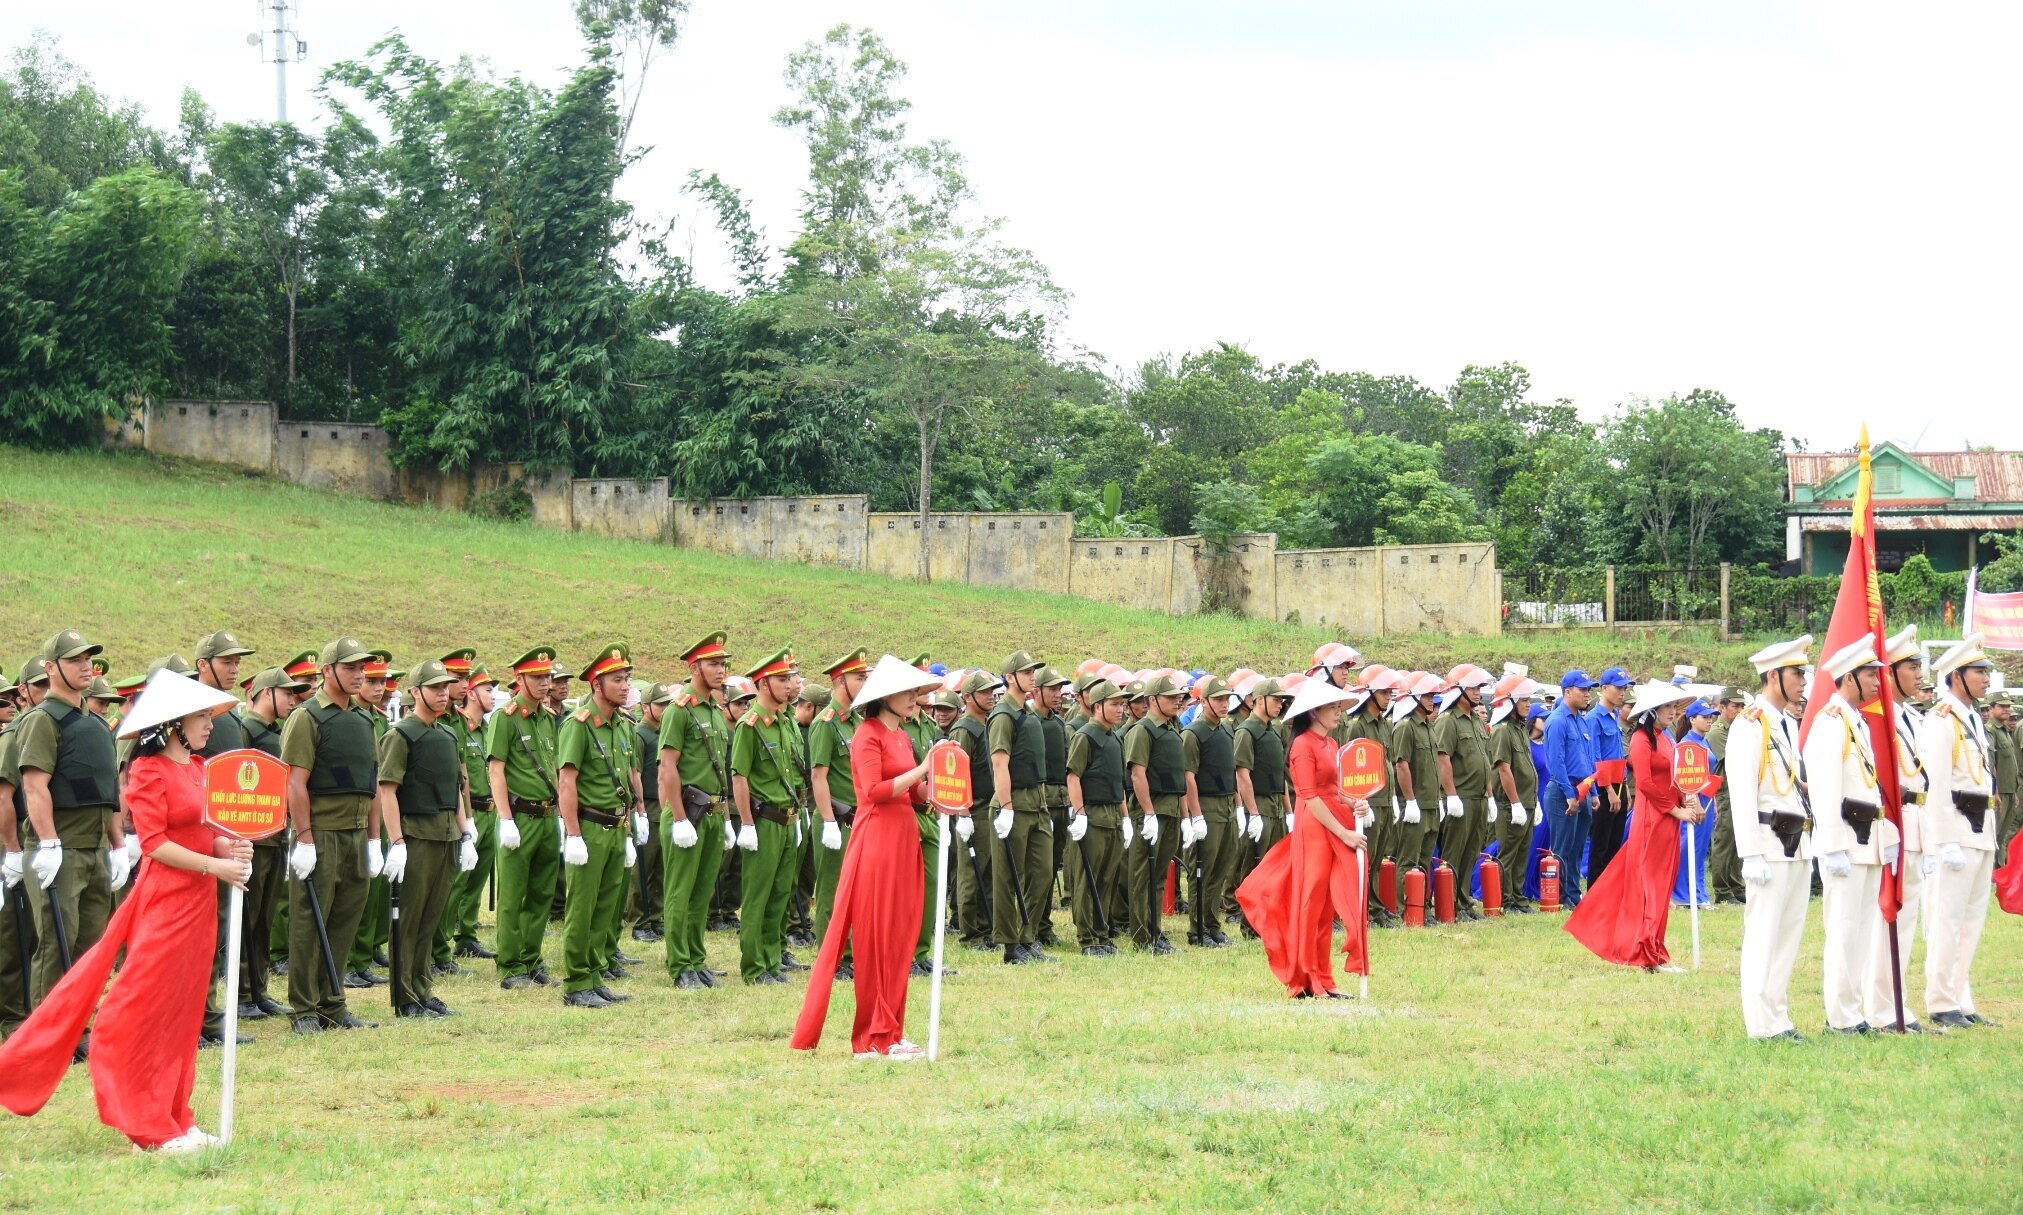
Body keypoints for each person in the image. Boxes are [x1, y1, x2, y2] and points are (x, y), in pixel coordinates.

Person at [0, 669, 249, 1154]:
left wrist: (233, 849)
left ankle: (177, 1114)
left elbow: (211, 828)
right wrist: (215, 864)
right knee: (143, 1008)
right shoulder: (148, 771)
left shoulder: (199, 769)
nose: (210, 726)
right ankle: (145, 1122)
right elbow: (155, 844)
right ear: (175, 723)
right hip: (166, 900)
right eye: (202, 716)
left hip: (201, 904)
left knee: (183, 1012)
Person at [791, 656, 945, 1059]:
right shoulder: (867, 735)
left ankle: (892, 1031)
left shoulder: (902, 737)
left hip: (904, 838)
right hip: (877, 838)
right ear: (883, 697)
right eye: (907, 691)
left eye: (916, 692)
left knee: (900, 936)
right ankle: (870, 1038)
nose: (914, 698)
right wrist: (923, 769)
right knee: (876, 938)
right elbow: (874, 791)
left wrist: (947, 788)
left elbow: (914, 793)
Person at [13, 631, 129, 1024]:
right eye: (75, 659)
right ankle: (48, 1033)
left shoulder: (96, 724)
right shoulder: (42, 720)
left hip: (94, 849)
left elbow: (108, 790)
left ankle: (79, 1025)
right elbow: (34, 784)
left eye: (87, 659)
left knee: (89, 947)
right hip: (60, 850)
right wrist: (47, 843)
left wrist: (117, 846)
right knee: (54, 948)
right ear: (51, 667)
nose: (85, 666)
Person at [1234, 676, 1369, 999]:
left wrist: (1355, 802)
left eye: (1339, 707)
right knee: (1310, 903)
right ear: (1314, 712)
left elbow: (1334, 789)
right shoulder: (1302, 745)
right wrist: (1344, 833)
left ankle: (1325, 977)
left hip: (1334, 819)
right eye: (1333, 708)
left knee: (1325, 908)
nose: (1339, 713)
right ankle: (1306, 977)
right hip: (1315, 828)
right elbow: (1309, 796)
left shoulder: (1331, 744)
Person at [1566, 682, 1694, 972]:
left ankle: (1656, 950)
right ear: (1651, 712)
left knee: (1661, 886)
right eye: (1667, 707)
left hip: (1669, 817)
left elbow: (1677, 776)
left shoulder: (1666, 738)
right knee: (1649, 886)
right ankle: (1647, 952)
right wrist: (1675, 809)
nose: (1672, 712)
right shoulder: (1641, 739)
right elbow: (1646, 784)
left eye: (1674, 707)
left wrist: (1689, 800)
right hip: (1653, 819)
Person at [1729, 635, 1815, 1041]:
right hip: (1767, 841)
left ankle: (1779, 1014)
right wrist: (1750, 853)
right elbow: (1743, 789)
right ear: (1774, 676)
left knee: (1788, 934)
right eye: (1797, 673)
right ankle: (1761, 1023)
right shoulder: (1750, 724)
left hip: (1796, 843)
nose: (1802, 681)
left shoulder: (1786, 723)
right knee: (1764, 934)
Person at [1803, 639, 1888, 1035]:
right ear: (1849, 677)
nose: (1877, 681)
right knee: (1843, 929)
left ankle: (1853, 1010)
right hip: (1846, 842)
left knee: (1862, 931)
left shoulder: (1855, 720)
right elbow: (1825, 789)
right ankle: (1840, 1015)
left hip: (1866, 839)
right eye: (1870, 674)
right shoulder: (1831, 720)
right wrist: (1831, 846)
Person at [1917, 633, 1999, 1030]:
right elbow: (1937, 786)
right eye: (1979, 672)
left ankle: (1960, 998)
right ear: (1956, 676)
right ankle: (1940, 1000)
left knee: (1970, 921)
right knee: (1946, 920)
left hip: (1981, 830)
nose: (1986, 679)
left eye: (1986, 671)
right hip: (1956, 833)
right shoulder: (1940, 720)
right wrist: (1944, 840)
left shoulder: (1971, 719)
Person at [556, 646, 643, 1008]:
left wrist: (634, 821)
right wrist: (573, 833)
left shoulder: (622, 725)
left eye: (627, 679)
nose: (625, 687)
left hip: (616, 827)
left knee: (606, 907)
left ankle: (594, 974)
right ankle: (577, 983)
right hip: (590, 828)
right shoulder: (578, 725)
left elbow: (627, 776)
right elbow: (567, 782)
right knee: (583, 907)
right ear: (596, 684)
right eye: (617, 680)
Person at [658, 633, 736, 990]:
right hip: (688, 813)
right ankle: (680, 965)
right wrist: (677, 818)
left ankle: (695, 957)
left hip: (714, 812)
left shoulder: (715, 711)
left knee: (702, 890)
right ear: (694, 667)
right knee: (680, 891)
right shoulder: (680, 710)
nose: (721, 671)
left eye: (723, 664)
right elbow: (667, 768)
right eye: (713, 664)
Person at [235, 663, 310, 1020]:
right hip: (253, 838)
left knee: (264, 917)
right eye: (287, 693)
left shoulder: (275, 731)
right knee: (247, 918)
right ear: (267, 693)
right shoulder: (244, 730)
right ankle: (241, 992)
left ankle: (258, 989)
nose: (293, 700)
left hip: (276, 834)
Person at [731, 648, 809, 985]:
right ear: (763, 683)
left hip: (788, 818)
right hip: (764, 821)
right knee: (758, 896)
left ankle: (772, 961)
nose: (789, 683)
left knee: (780, 894)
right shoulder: (751, 726)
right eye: (781, 679)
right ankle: (753, 965)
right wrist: (747, 823)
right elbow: (740, 777)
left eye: (790, 677)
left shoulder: (782, 721)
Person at [1865, 625, 1928, 1033]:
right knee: (1884, 920)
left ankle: (1895, 1001)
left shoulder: (1909, 717)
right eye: (1913, 666)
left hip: (1917, 826)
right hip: (1891, 828)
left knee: (1906, 923)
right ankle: (1879, 1007)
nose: (1921, 674)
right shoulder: (1879, 718)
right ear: (1891, 672)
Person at [488, 646, 563, 990]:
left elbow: (554, 769)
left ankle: (532, 957)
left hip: (547, 816)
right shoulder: (506, 718)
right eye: (538, 677)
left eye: (548, 676)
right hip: (520, 817)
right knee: (513, 895)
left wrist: (561, 813)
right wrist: (505, 819)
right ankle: (510, 964)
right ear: (520, 679)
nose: (546, 683)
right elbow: (497, 770)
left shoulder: (548, 718)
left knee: (541, 893)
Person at [986, 651, 1056, 965]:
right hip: (1013, 804)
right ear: (1010, 677)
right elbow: (1000, 763)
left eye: (1033, 671)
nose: (1032, 676)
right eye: (1026, 672)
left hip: (1036, 805)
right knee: (1008, 878)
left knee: (1041, 874)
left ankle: (1028, 937)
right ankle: (1011, 945)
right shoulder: (1003, 715)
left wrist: (1041, 804)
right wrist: (1007, 807)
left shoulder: (1026, 714)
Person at [807, 650, 869, 979]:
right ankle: (831, 960)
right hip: (836, 818)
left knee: (856, 893)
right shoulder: (826, 724)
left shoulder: (857, 721)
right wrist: (828, 820)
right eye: (860, 677)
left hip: (858, 818)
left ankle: (849, 955)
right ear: (841, 681)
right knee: (832, 893)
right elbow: (819, 775)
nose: (866, 682)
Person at [1065, 679, 1132, 956]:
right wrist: (1079, 814)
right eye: (1115, 705)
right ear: (1098, 706)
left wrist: (1126, 818)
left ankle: (1102, 932)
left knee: (1107, 878)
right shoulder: (1086, 736)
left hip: (1113, 815)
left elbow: (1119, 784)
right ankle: (1088, 937)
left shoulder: (1115, 737)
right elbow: (1073, 777)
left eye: (1121, 704)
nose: (1120, 710)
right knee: (1087, 878)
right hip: (1092, 814)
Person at [1123, 673, 1189, 954]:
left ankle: (1155, 931)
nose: (1177, 701)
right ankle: (1142, 936)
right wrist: (1148, 812)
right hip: (1152, 812)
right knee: (1143, 875)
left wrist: (1186, 817)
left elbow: (1179, 779)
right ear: (1153, 700)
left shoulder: (1172, 730)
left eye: (1178, 696)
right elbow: (1138, 775)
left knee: (1159, 875)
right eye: (1170, 697)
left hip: (1171, 810)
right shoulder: (1142, 731)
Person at [443, 660, 500, 964]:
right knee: (457, 879)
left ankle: (466, 935)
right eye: (488, 689)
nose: (493, 695)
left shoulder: (489, 729)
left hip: (490, 812)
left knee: (477, 879)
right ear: (474, 694)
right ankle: (444, 936)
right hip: (468, 810)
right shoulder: (459, 725)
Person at [1433, 667, 1495, 920]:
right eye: (1472, 688)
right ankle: (1450, 904)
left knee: (1472, 851)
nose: (1477, 693)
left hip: (1479, 797)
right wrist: (1451, 795)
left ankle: (1464, 900)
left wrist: (1490, 796)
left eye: (1479, 688)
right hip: (1461, 797)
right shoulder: (1448, 721)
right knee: (1454, 852)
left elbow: (1485, 760)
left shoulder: (1477, 721)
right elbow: (1443, 759)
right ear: (1457, 690)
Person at [1183, 675, 1240, 948]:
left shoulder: (1227, 731)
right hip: (1207, 805)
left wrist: (1239, 806)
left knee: (1220, 869)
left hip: (1227, 804)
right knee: (1201, 870)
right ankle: (1198, 929)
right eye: (1218, 699)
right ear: (1203, 701)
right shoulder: (1194, 733)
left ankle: (1213, 924)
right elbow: (1189, 777)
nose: (1224, 704)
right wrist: (1196, 816)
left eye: (1227, 699)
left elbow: (1233, 772)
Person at [1232, 677, 1290, 935]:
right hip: (1259, 805)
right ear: (1259, 701)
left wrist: (1289, 811)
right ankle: (1250, 925)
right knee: (1254, 866)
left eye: (1281, 700)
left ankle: (1268, 921)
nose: (1280, 705)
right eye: (1276, 700)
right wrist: (1252, 812)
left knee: (1275, 867)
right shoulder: (1246, 732)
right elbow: (1242, 774)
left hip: (1276, 804)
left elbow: (1281, 775)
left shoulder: (1273, 730)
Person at [948, 671, 999, 951]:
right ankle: (972, 933)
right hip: (974, 808)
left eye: (992, 691)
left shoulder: (988, 725)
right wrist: (963, 814)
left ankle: (988, 926)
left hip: (989, 807)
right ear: (967, 697)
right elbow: (957, 774)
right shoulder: (964, 729)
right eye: (984, 692)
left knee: (990, 872)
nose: (990, 695)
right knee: (971, 872)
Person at [1543, 671, 1599, 908]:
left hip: (1583, 789)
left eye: (1588, 689)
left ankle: (1573, 895)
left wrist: (1593, 792)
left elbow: (1587, 758)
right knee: (1562, 848)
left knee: (1577, 848)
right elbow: (1556, 762)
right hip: (1564, 791)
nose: (1587, 694)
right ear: (1567, 692)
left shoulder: (1580, 719)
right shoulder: (1557, 721)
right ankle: (1559, 897)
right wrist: (1569, 794)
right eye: (1582, 689)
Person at [1488, 676, 1541, 913]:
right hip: (1511, 805)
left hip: (1527, 801)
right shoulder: (1502, 731)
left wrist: (1534, 801)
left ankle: (1518, 898)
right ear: (1510, 702)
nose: (1528, 704)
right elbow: (1504, 768)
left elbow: (1527, 767)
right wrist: (1515, 802)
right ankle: (1505, 900)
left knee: (1522, 853)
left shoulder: (1519, 729)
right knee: (1508, 854)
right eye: (1524, 700)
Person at [1586, 667, 1634, 878]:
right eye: (1618, 688)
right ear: (1604, 688)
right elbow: (1596, 758)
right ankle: (1596, 892)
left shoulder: (1614, 715)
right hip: (1604, 788)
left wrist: (1625, 788)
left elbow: (1618, 755)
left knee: (1615, 842)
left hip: (1620, 784)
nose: (1622, 692)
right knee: (1600, 844)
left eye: (1625, 688)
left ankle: (1610, 892)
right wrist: (1609, 790)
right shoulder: (1594, 718)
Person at [1672, 700, 1717, 909]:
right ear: (1692, 719)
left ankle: (1699, 892)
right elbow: (1684, 778)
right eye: (1705, 716)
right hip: (1693, 801)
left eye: (1711, 716)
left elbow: (1708, 776)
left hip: (1707, 800)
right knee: (1687, 847)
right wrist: (1694, 801)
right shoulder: (1686, 744)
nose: (1709, 720)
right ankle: (1683, 894)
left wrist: (1713, 801)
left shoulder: (1704, 741)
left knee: (1700, 849)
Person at [1705, 687, 1748, 905]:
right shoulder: (1718, 731)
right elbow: (1736, 759)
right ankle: (1722, 890)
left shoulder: (1738, 729)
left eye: (1742, 706)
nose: (1740, 710)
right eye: (1735, 706)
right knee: (1724, 841)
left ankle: (1736, 885)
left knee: (1737, 841)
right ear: (1722, 707)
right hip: (1725, 792)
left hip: (1738, 790)